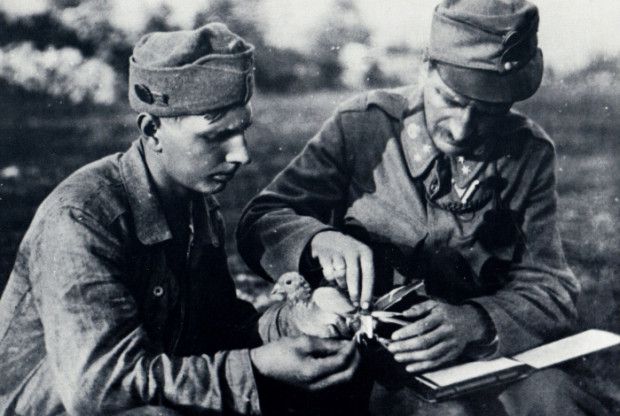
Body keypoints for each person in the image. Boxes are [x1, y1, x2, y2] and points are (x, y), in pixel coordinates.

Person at [237, 1, 609, 414]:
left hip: (479, 361)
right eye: (450, 99)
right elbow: (263, 218)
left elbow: (551, 287)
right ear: (425, 67)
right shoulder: (363, 127)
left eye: (488, 112)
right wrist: (318, 240)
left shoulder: (527, 153)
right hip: (375, 364)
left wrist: (477, 322)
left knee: (556, 401)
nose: (462, 129)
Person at [0, 23, 360, 415]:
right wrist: (256, 367)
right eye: (215, 136)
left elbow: (217, 333)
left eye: (241, 130)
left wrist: (299, 320)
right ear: (152, 130)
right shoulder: (81, 219)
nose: (241, 154)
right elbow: (101, 389)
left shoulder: (197, 207)